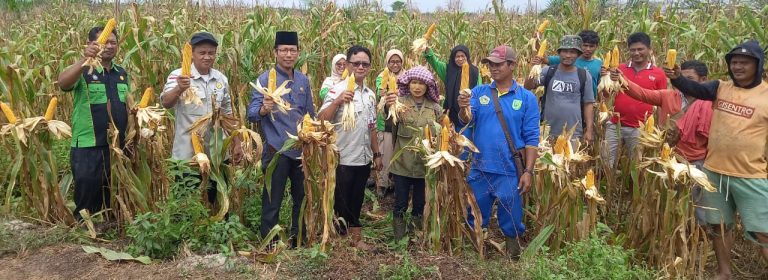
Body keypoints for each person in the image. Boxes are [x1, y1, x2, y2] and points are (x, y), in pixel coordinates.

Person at [667, 40, 768, 280]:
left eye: (744, 62)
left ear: (758, 65)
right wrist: (677, 78)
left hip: (751, 175)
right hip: (714, 172)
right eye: (734, 62)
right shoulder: (719, 88)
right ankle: (724, 273)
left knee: (763, 232)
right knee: (719, 227)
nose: (738, 67)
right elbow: (695, 89)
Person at [458, 45, 540, 260]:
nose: (492, 68)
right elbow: (468, 120)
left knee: (511, 215)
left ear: (512, 65)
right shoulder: (479, 92)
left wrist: (528, 171)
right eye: (490, 65)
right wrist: (462, 107)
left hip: (509, 169)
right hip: (480, 166)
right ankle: (475, 251)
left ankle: (513, 251)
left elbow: (532, 139)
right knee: (475, 210)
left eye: (498, 64)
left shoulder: (526, 98)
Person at [612, 60, 713, 224]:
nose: (685, 83)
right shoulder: (668, 96)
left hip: (697, 161)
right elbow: (641, 93)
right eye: (682, 77)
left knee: (697, 203)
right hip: (669, 158)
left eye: (691, 78)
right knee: (668, 199)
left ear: (703, 80)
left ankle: (697, 234)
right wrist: (621, 78)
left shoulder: (711, 102)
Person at [247, 31, 315, 247]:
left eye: (292, 50)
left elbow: (309, 114)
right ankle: (269, 241)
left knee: (301, 198)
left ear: (298, 53)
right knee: (271, 200)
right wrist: (265, 109)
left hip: (300, 150)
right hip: (275, 150)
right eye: (283, 50)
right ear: (275, 52)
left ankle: (299, 238)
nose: (288, 54)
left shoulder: (303, 80)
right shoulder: (265, 79)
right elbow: (251, 114)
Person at [57, 25, 129, 222]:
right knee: (87, 189)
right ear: (90, 45)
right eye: (104, 42)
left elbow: (127, 105)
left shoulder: (121, 73)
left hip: (116, 146)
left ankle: (110, 227)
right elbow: (63, 83)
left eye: (113, 42)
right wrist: (84, 60)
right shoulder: (84, 70)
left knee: (112, 190)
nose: (109, 46)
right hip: (89, 143)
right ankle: (83, 230)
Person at [161, 32, 240, 204]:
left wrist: (237, 142)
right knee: (185, 205)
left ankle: (219, 230)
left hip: (217, 154)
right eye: (202, 52)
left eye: (211, 53)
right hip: (187, 156)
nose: (207, 57)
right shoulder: (178, 76)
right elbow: (166, 103)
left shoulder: (221, 79)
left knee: (219, 202)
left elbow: (227, 113)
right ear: (193, 54)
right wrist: (179, 89)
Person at [317, 45, 382, 250]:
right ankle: (339, 239)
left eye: (365, 64)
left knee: (357, 197)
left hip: (363, 157)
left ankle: (355, 238)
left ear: (370, 67)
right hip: (342, 156)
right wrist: (337, 102)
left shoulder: (370, 95)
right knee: (341, 200)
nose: (360, 67)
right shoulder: (336, 89)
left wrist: (377, 153)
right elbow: (320, 120)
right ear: (348, 65)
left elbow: (372, 127)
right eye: (356, 63)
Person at [383, 66, 442, 240]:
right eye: (414, 83)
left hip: (425, 165)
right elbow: (390, 122)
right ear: (408, 84)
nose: (417, 87)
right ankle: (399, 238)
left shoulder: (435, 108)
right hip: (403, 162)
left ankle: (415, 233)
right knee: (400, 202)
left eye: (421, 83)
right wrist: (388, 105)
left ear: (427, 86)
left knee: (420, 202)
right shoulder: (399, 103)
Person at [603, 32, 667, 167]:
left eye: (640, 49)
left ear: (650, 50)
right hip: (615, 124)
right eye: (633, 50)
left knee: (636, 166)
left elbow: (662, 101)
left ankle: (633, 189)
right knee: (607, 163)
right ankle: (610, 187)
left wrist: (661, 126)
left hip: (640, 128)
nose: (636, 53)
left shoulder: (658, 74)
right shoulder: (619, 69)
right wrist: (605, 78)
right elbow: (607, 94)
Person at [524, 35, 595, 143]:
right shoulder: (548, 71)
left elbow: (588, 104)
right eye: (564, 51)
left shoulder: (584, 75)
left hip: (573, 133)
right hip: (547, 131)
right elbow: (528, 86)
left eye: (572, 52)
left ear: (578, 55)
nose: (568, 55)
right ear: (559, 53)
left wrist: (589, 130)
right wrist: (533, 69)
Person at [423, 45, 482, 127]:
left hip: (469, 113)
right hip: (450, 113)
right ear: (453, 57)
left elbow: (479, 91)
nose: (460, 59)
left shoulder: (475, 72)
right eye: (457, 56)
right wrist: (427, 49)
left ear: (467, 57)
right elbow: (434, 62)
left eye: (463, 56)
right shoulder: (447, 70)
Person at [374, 49, 404, 197]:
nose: (395, 64)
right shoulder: (381, 76)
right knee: (385, 152)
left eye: (398, 61)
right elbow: (382, 91)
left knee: (398, 152)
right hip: (385, 122)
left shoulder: (406, 76)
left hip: (401, 121)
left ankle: (395, 182)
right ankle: (382, 184)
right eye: (392, 61)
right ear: (387, 62)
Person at [538, 30, 602, 94]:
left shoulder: (599, 64)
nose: (588, 49)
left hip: (589, 101)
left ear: (596, 47)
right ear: (579, 45)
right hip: (570, 100)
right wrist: (537, 39)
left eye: (591, 46)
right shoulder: (567, 59)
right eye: (585, 45)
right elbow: (543, 58)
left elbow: (601, 87)